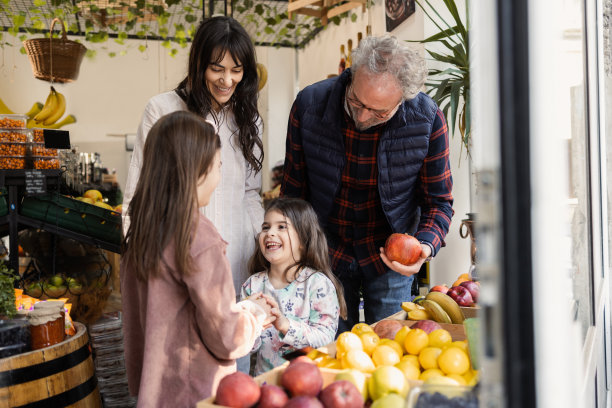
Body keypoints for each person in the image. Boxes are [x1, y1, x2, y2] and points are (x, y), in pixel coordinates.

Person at [281, 35, 454, 333]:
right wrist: (291, 251)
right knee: (327, 349)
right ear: (351, 73)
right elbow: (293, 193)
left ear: (404, 98)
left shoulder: (427, 120)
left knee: (389, 352)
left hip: (391, 260)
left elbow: (438, 202)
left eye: (379, 112)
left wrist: (425, 246)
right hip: (325, 251)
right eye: (356, 102)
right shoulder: (309, 106)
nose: (362, 117)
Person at [121, 111, 273, 407]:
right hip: (196, 392)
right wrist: (255, 315)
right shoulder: (199, 236)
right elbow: (227, 340)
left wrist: (239, 309)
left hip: (154, 391)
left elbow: (164, 315)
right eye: (218, 166)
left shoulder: (142, 230)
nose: (218, 177)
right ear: (197, 171)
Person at [123, 16, 264, 295]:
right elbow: (139, 193)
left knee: (234, 334)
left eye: (237, 70)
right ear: (199, 65)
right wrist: (143, 266)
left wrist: (267, 249)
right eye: (217, 69)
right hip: (179, 262)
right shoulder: (163, 109)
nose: (227, 80)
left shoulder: (249, 120)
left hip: (238, 260)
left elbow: (251, 194)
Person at [241, 197, 347, 375]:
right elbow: (246, 346)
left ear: (303, 239)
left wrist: (285, 325)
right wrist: (248, 320)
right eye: (266, 227)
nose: (270, 233)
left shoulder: (318, 285)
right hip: (267, 384)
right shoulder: (253, 285)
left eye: (281, 227)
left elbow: (325, 338)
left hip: (310, 382)